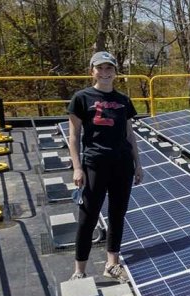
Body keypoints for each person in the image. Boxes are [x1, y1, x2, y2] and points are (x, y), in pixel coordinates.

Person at [67, 51, 143, 281]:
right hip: (95, 165)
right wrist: (77, 167)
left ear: (115, 72)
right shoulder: (81, 98)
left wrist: (138, 164)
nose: (105, 72)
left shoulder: (123, 100)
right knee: (88, 218)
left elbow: (130, 135)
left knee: (117, 214)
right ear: (93, 71)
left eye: (109, 68)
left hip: (122, 165)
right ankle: (79, 270)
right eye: (100, 68)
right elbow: (74, 136)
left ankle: (112, 264)